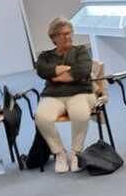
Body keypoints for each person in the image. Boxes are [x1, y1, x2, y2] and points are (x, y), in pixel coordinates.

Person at [34, 18, 95, 173]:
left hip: (80, 92)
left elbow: (82, 70)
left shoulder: (81, 50)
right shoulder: (45, 56)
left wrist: (55, 73)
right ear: (53, 37)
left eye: (68, 33)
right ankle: (60, 153)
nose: (67, 37)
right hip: (53, 95)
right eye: (62, 34)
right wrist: (67, 69)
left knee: (80, 114)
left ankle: (76, 153)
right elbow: (42, 70)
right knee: (41, 117)